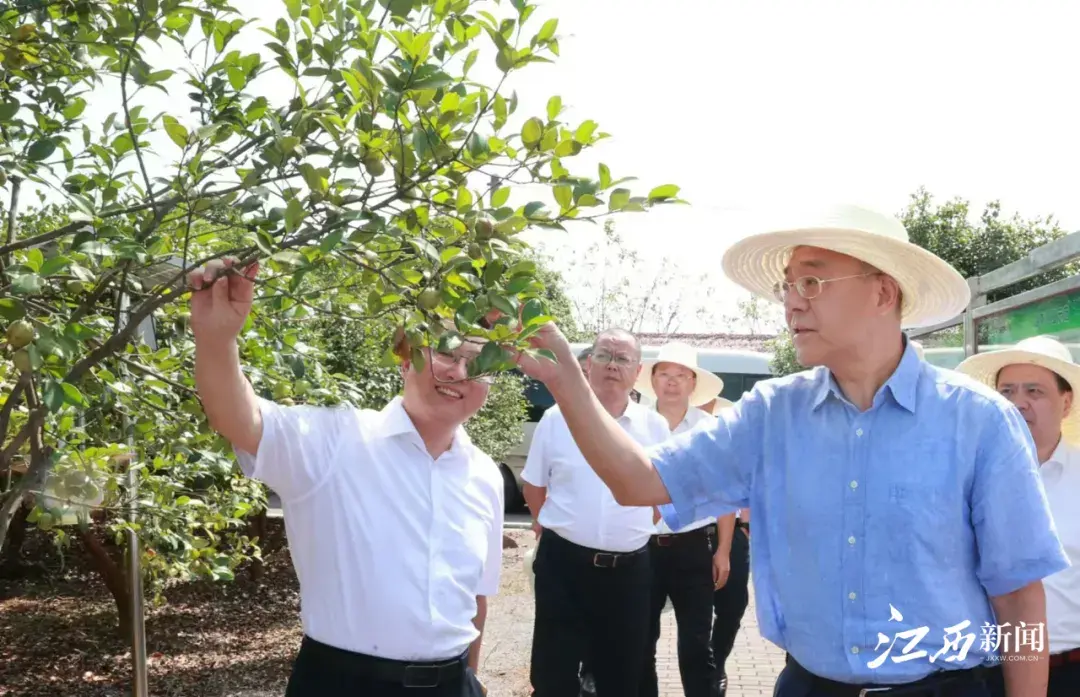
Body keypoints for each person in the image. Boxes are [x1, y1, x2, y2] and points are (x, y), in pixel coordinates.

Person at [514, 204, 1069, 697]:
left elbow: (1020, 598)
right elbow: (637, 482)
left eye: (812, 283)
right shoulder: (770, 414)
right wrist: (565, 376)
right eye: (787, 286)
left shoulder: (979, 422)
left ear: (882, 292)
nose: (790, 304)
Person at [187, 259, 500, 696]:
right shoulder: (333, 440)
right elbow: (238, 418)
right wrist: (217, 339)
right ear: (406, 357)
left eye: (478, 360)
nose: (459, 372)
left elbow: (475, 598)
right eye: (447, 351)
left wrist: (473, 678)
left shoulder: (484, 474)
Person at [521, 328, 671, 697]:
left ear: (637, 372)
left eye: (623, 359)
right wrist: (552, 529)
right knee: (552, 675)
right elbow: (535, 486)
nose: (612, 366)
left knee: (621, 676)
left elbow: (663, 497)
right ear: (587, 364)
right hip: (563, 567)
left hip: (629, 572)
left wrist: (631, 529)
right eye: (604, 356)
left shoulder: (655, 427)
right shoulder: (556, 418)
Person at [957, 336, 1080, 696]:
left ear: (1066, 402)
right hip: (976, 673)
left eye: (1034, 392)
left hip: (1068, 672)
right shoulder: (962, 474)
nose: (1017, 403)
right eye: (1006, 391)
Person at [633, 342, 727, 697]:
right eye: (664, 375)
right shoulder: (632, 423)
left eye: (680, 376)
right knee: (641, 639)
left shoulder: (709, 428)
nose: (672, 383)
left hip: (692, 548)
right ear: (652, 380)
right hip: (639, 547)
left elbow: (723, 494)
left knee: (697, 642)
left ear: (693, 383)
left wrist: (723, 550)